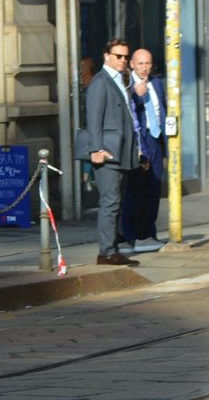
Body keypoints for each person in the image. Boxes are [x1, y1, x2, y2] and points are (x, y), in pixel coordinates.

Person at [84, 39, 139, 266]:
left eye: (126, 57)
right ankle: (106, 252)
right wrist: (96, 149)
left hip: (121, 151)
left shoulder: (121, 80)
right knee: (110, 201)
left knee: (116, 201)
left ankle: (113, 247)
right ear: (106, 56)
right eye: (119, 56)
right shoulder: (100, 82)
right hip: (107, 152)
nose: (123, 61)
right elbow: (93, 118)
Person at [119, 47, 166, 254]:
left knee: (154, 189)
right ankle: (132, 235)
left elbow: (161, 108)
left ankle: (149, 233)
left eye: (148, 63)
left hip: (156, 140)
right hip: (139, 140)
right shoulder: (126, 85)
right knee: (136, 190)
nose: (145, 68)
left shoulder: (156, 83)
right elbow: (127, 112)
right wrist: (136, 96)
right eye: (140, 64)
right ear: (132, 64)